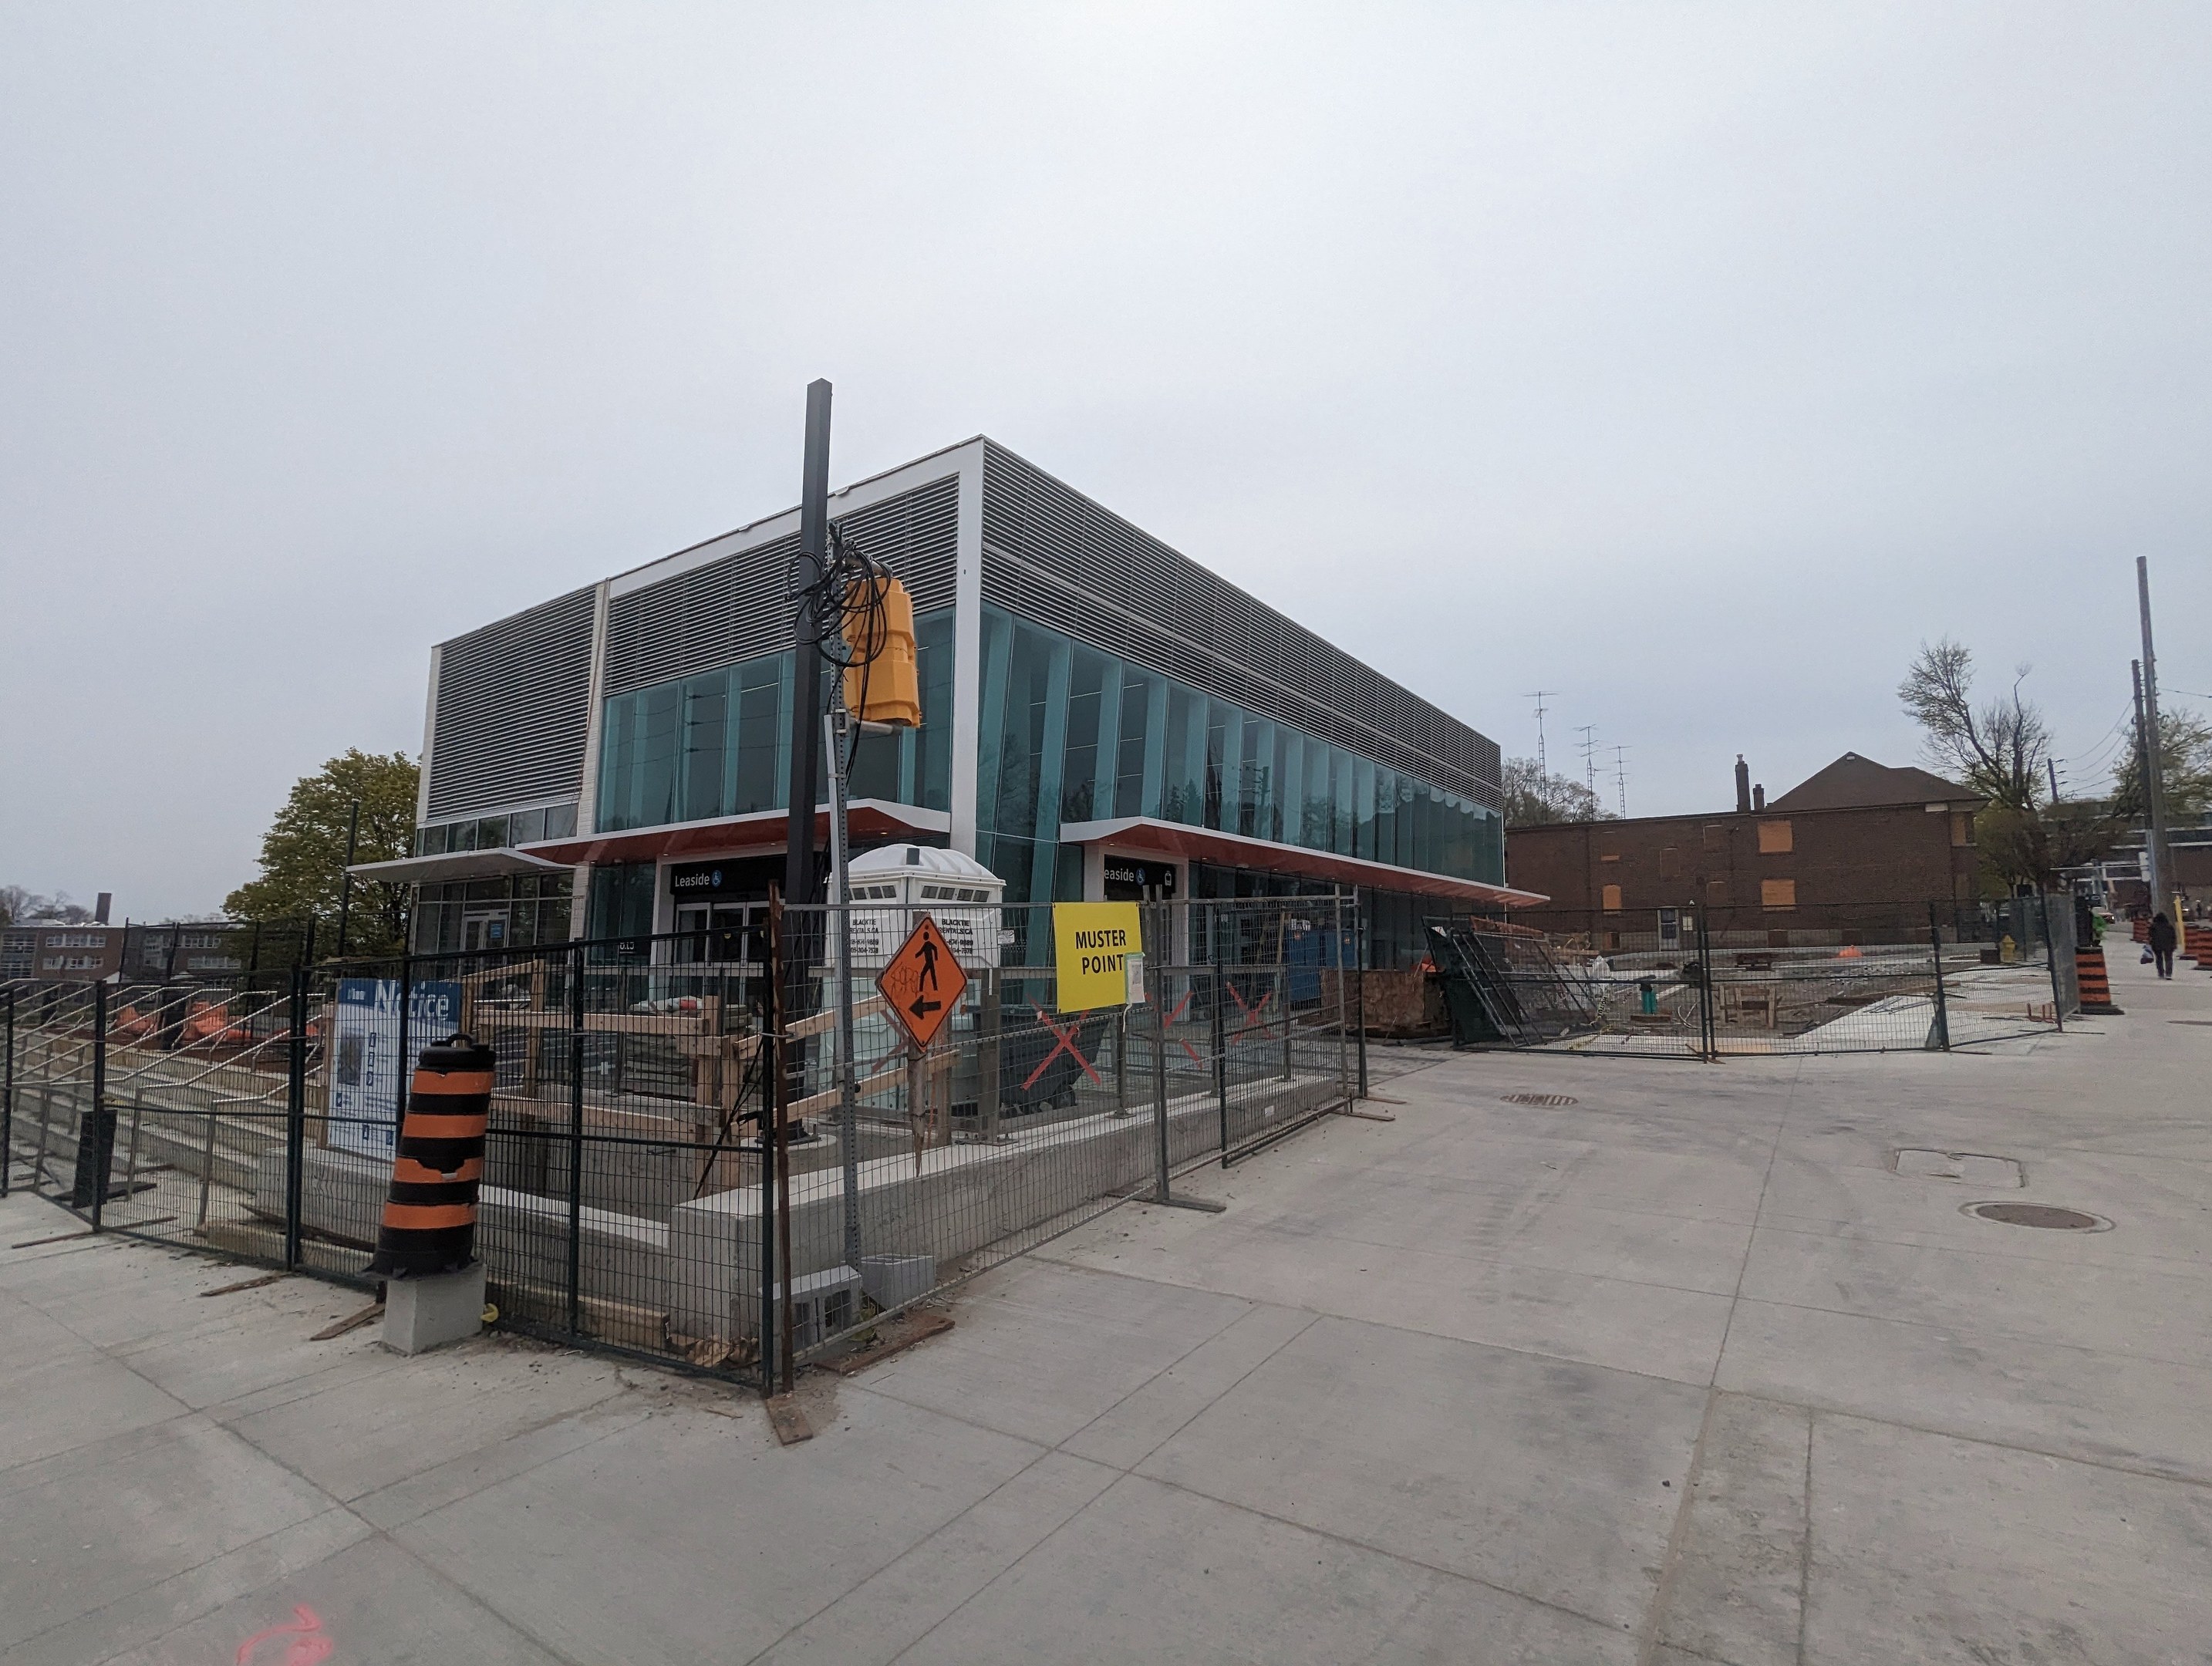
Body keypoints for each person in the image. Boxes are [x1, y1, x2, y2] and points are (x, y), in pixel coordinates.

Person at [2148, 909, 2178, 980]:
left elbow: (2150, 935)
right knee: (2169, 959)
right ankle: (2168, 974)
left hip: (2157, 945)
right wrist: (2174, 944)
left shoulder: (2154, 927)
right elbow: (2173, 936)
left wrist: (2151, 943)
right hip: (2168, 944)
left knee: (2159, 959)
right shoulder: (2169, 926)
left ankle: (2161, 973)